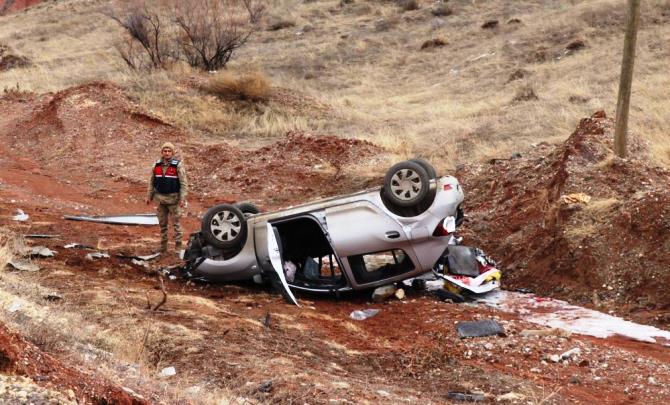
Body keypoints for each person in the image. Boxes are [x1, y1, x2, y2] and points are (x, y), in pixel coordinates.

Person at [146, 142, 188, 253]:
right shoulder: (156, 165)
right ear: (162, 152)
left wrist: (182, 198)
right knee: (162, 224)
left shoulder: (178, 165)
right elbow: (151, 182)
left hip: (174, 199)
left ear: (172, 152)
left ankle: (178, 246)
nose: (167, 153)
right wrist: (149, 196)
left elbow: (183, 183)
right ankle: (163, 247)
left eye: (169, 151)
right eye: (165, 151)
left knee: (176, 224)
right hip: (160, 199)